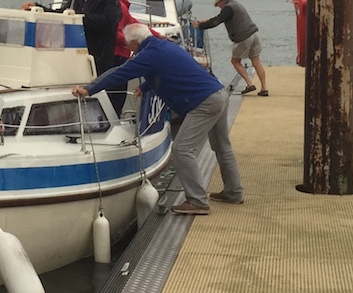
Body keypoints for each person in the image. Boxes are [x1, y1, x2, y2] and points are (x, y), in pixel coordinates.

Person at [72, 23, 244, 214]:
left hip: (204, 102)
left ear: (136, 43)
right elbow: (169, 69)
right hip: (218, 93)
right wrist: (145, 87)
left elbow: (119, 73)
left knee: (181, 149)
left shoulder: (147, 55)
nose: (128, 48)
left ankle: (198, 201)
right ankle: (234, 192)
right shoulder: (164, 46)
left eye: (128, 45)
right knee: (222, 146)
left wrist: (89, 89)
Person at [23, 0, 120, 76]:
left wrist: (78, 17)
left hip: (99, 57)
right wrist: (38, 7)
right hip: (76, 55)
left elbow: (108, 22)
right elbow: (61, 14)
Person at [192, 0, 269, 96]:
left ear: (221, 1)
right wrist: (204, 22)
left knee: (235, 61)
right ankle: (264, 88)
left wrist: (200, 26)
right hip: (254, 34)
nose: (218, 7)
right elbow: (219, 18)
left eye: (217, 5)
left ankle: (249, 84)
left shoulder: (228, 8)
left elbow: (217, 21)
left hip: (243, 37)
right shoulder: (235, 4)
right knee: (256, 60)